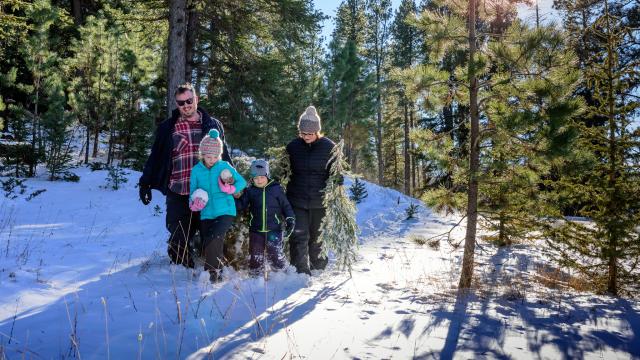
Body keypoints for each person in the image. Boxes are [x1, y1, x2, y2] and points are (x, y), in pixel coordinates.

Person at [138, 83, 232, 268]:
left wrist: (232, 184)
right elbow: (156, 156)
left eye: (189, 100)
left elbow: (225, 157)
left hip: (208, 191)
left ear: (196, 99)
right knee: (178, 238)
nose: (186, 105)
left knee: (211, 235)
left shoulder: (212, 125)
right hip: (179, 191)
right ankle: (182, 274)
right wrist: (145, 183)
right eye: (181, 103)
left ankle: (210, 269)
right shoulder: (168, 127)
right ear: (177, 104)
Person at [286, 106, 338, 275]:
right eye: (302, 133)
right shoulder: (292, 147)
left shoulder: (329, 147)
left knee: (317, 238)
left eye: (309, 133)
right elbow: (284, 171)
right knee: (299, 236)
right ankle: (299, 271)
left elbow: (335, 172)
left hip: (319, 201)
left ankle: (319, 269)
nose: (306, 137)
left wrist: (338, 179)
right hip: (297, 199)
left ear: (317, 131)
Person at [190, 129, 246, 281]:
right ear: (202, 155)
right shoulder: (196, 170)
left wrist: (230, 188)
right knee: (208, 239)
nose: (212, 159)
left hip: (225, 211)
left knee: (215, 236)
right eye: (209, 156)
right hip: (206, 212)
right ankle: (220, 269)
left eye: (215, 156)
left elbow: (242, 182)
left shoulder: (224, 166)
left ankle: (211, 273)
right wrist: (194, 203)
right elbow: (192, 192)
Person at [237, 159, 295, 276]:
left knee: (275, 253)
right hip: (256, 230)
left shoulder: (276, 189)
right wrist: (230, 198)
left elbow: (286, 205)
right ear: (252, 178)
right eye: (256, 178)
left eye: (262, 177)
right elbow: (241, 205)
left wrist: (290, 219)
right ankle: (255, 275)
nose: (259, 180)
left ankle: (281, 274)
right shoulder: (250, 191)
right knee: (255, 254)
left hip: (274, 229)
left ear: (267, 175)